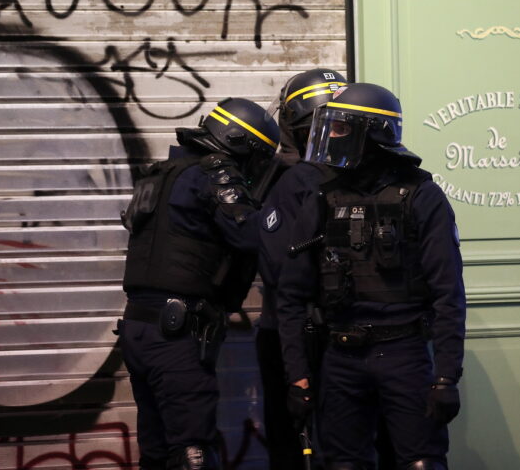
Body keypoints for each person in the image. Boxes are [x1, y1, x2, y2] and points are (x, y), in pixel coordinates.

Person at [276, 83, 467, 470]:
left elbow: (448, 294)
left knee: (421, 462)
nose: (329, 135)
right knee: (344, 464)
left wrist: (446, 376)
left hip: (404, 352)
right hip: (340, 355)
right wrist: (297, 376)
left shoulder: (421, 196)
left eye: (340, 128)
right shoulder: (322, 195)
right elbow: (291, 296)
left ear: (374, 132)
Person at [118, 98, 280, 470]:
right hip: (176, 335)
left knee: (157, 452)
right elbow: (251, 235)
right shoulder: (214, 173)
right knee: (193, 451)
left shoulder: (161, 172)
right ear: (241, 142)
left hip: (139, 328)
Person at [256, 68, 347, 470]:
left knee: (296, 446)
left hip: (295, 334)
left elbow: (276, 268)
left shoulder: (284, 181)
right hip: (334, 335)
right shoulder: (364, 177)